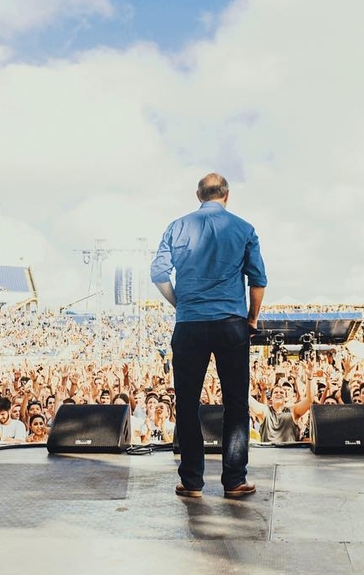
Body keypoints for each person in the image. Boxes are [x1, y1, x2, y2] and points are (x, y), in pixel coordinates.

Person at [151, 172, 267, 499]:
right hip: (231, 323)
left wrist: (180, 303)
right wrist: (252, 319)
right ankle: (234, 481)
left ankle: (192, 482)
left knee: (187, 404)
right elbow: (258, 281)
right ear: (226, 196)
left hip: (189, 324)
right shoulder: (244, 229)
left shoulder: (176, 227)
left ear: (198, 195)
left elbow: (159, 273)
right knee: (235, 403)